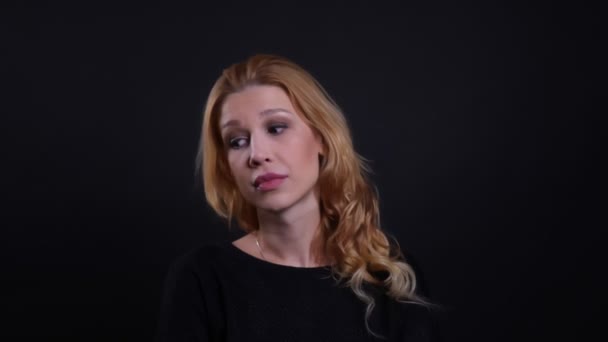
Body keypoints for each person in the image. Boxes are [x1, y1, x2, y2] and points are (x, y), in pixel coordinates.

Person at [156, 54, 439, 341]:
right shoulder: (203, 278)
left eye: (276, 128)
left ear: (322, 138)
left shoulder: (390, 275)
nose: (257, 154)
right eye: (237, 141)